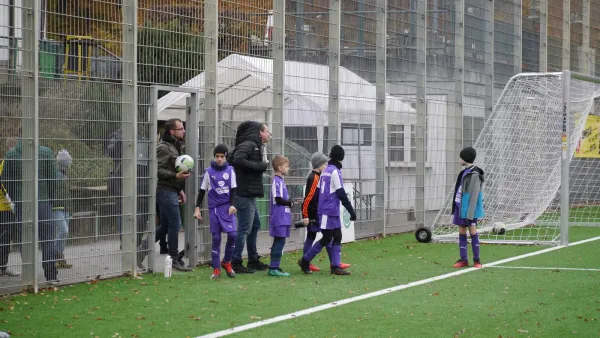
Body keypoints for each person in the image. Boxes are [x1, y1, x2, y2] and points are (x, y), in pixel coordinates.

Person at [3, 128, 59, 283]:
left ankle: (29, 274)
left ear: (19, 137)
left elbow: (6, 180)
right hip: (43, 202)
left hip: (23, 204)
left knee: (25, 239)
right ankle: (51, 274)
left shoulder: (11, 154)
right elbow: (52, 179)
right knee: (48, 239)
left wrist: (15, 199)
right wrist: (50, 199)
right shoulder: (45, 152)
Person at [299, 145, 356, 276]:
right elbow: (341, 193)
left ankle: (335, 266)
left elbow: (320, 191)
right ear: (341, 158)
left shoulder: (325, 171)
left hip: (329, 210)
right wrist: (351, 210)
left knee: (337, 236)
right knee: (327, 237)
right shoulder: (334, 171)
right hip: (328, 211)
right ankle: (305, 260)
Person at [229, 121, 271, 274]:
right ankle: (235, 261)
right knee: (245, 228)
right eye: (267, 131)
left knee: (254, 226)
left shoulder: (254, 146)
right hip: (243, 193)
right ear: (259, 132)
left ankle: (253, 259)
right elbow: (237, 160)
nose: (269, 134)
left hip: (248, 193)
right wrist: (259, 166)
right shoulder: (248, 145)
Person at [193, 144, 237, 280]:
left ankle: (227, 262)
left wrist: (233, 205)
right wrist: (197, 208)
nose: (219, 159)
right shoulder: (208, 172)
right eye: (217, 156)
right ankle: (216, 268)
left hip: (227, 208)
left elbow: (234, 190)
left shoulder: (230, 170)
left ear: (225, 157)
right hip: (215, 209)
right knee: (216, 238)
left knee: (233, 235)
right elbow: (201, 191)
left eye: (222, 156)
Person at [154, 118, 192, 272]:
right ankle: (174, 258)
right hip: (164, 190)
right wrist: (176, 177)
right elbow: (157, 170)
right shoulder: (163, 147)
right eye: (181, 128)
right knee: (175, 224)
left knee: (165, 226)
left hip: (172, 189)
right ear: (172, 131)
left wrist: (180, 190)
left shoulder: (176, 145)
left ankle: (140, 251)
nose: (184, 131)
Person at [451, 146, 485, 269]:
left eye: (461, 157)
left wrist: (470, 214)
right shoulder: (464, 172)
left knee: (472, 231)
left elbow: (474, 195)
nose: (459, 159)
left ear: (465, 158)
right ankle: (464, 259)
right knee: (461, 231)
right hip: (461, 208)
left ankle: (477, 260)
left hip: (470, 210)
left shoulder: (475, 174)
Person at [268, 155, 293, 277]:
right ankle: (274, 267)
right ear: (279, 167)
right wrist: (289, 202)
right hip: (278, 217)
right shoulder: (276, 181)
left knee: (279, 240)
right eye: (286, 166)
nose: (288, 168)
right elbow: (278, 199)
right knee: (280, 241)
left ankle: (274, 266)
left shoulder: (281, 181)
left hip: (283, 216)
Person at [53, 149, 73, 269]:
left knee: (64, 234)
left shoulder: (65, 175)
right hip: (56, 207)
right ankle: (53, 253)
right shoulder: (56, 174)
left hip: (65, 207)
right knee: (63, 231)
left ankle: (60, 258)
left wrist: (70, 208)